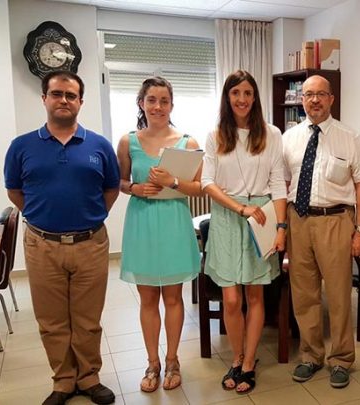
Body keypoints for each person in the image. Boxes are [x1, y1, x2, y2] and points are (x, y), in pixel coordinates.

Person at [4, 71, 119, 405]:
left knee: (87, 319)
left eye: (71, 95)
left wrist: (89, 217)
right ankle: (64, 380)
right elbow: (14, 191)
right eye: (57, 94)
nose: (64, 100)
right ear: (44, 98)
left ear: (80, 101)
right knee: (52, 321)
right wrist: (44, 218)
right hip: (42, 245)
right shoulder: (22, 146)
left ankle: (89, 377)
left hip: (90, 244)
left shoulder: (99, 145)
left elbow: (111, 189)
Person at [283, 75, 360, 389]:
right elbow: (282, 184)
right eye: (308, 94)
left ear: (331, 99)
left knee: (337, 295)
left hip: (336, 220)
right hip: (298, 220)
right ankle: (310, 356)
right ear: (302, 99)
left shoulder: (350, 137)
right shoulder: (289, 138)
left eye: (321, 94)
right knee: (304, 294)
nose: (314, 100)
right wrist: (282, 226)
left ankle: (341, 359)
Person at [201, 70, 287, 394]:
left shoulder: (271, 134)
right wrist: (239, 208)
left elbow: (278, 183)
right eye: (236, 93)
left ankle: (249, 363)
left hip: (262, 216)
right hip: (228, 216)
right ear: (227, 97)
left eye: (248, 93)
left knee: (255, 294)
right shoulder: (215, 136)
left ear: (255, 97)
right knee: (232, 298)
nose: (242, 99)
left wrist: (281, 227)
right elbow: (207, 182)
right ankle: (236, 357)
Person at [116, 76, 202, 392]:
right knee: (148, 298)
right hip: (142, 223)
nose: (158, 106)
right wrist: (135, 188)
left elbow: (198, 187)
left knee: (173, 297)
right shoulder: (128, 142)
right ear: (142, 103)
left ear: (171, 105)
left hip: (174, 223)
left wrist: (172, 182)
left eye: (164, 101)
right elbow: (119, 182)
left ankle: (173, 360)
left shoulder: (187, 143)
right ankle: (152, 362)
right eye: (151, 100)